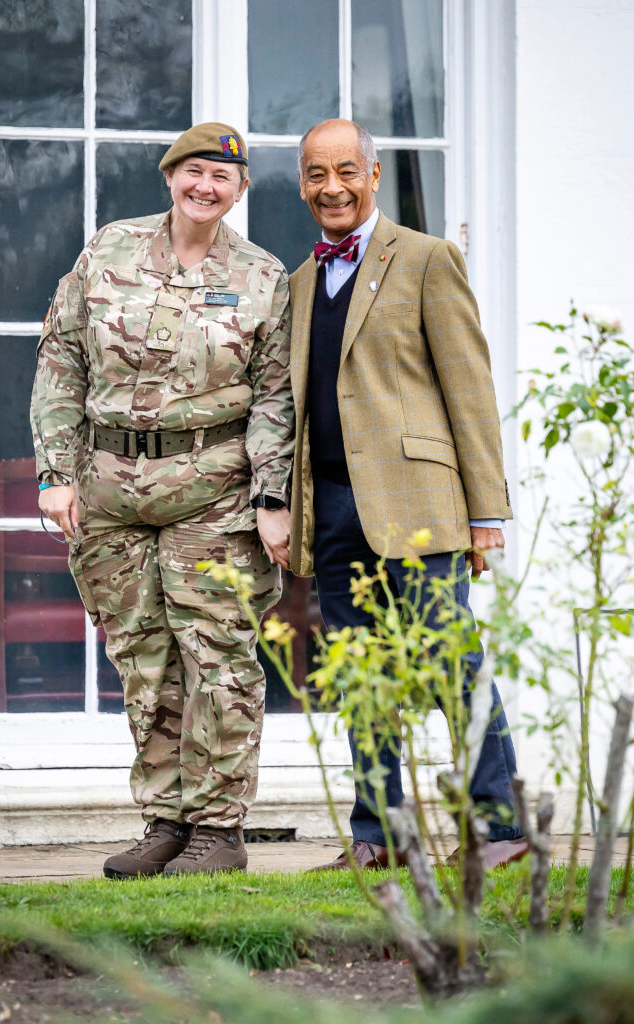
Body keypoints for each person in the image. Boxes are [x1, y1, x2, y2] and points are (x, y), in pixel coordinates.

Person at [30, 123, 293, 877]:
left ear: (240, 189)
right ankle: (165, 822)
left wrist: (272, 495)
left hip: (213, 491)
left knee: (217, 657)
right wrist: (55, 471)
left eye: (222, 177)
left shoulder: (262, 276)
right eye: (194, 171)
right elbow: (62, 360)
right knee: (144, 659)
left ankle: (218, 830)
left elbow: (276, 396)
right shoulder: (108, 250)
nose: (205, 187)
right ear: (170, 174)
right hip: (109, 492)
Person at [287, 118, 529, 871]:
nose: (332, 187)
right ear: (302, 184)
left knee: (451, 661)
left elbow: (469, 388)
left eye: (346, 171)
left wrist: (485, 513)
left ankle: (501, 828)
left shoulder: (427, 258)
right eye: (317, 173)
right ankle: (378, 834)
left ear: (374, 174)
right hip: (333, 506)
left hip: (421, 504)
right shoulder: (301, 282)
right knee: (360, 672)